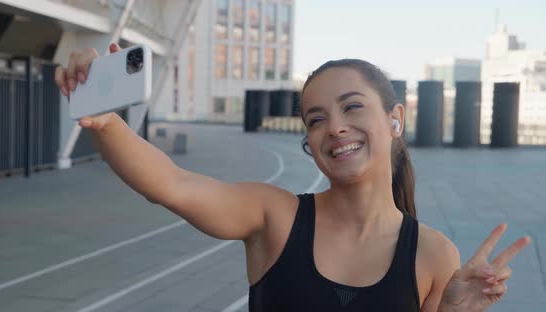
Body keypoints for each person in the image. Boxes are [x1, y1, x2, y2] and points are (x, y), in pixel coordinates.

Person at [55, 44, 531, 311]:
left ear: (395, 119)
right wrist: (107, 122)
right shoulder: (273, 216)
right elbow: (171, 184)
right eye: (316, 118)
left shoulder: (432, 252)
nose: (335, 127)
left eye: (352, 107)